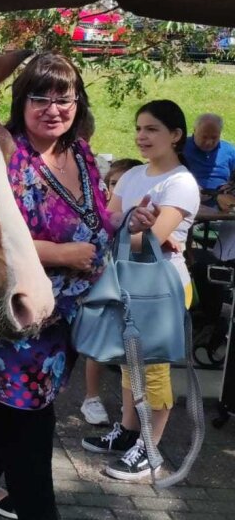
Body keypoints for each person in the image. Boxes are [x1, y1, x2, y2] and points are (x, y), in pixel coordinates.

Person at [0, 53, 116, 520]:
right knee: (31, 422)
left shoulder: (78, 154)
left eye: (65, 97)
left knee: (12, 406)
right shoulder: (4, 157)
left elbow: (92, 221)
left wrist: (124, 221)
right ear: (21, 102)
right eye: (41, 96)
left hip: (65, 321)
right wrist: (63, 255)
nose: (54, 108)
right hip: (13, 316)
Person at [82, 100, 200, 481]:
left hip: (162, 290)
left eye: (151, 129)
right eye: (138, 128)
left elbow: (151, 240)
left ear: (176, 135)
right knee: (128, 363)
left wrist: (126, 231)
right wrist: (125, 230)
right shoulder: (134, 176)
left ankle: (150, 449)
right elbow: (107, 222)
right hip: (128, 283)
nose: (141, 136)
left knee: (153, 371)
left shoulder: (180, 183)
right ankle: (129, 431)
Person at [80, 158, 144, 426]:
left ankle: (129, 409)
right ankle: (91, 397)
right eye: (114, 183)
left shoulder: (137, 217)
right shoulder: (101, 213)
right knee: (101, 343)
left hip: (133, 284)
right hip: (107, 282)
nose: (119, 189)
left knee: (127, 349)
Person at [183, 113, 235, 194]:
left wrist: (230, 186)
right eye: (204, 137)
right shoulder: (180, 148)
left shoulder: (229, 151)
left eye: (214, 137)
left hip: (223, 197)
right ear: (195, 130)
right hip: (189, 195)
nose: (209, 142)